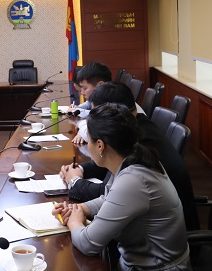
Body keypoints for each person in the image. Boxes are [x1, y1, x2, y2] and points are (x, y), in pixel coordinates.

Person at [53, 104, 194, 271]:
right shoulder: (132, 157)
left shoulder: (134, 180)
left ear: (100, 145)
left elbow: (88, 244)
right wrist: (79, 209)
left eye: (88, 139)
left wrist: (74, 221)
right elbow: (109, 198)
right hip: (139, 269)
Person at [60, 82, 199, 230]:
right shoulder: (136, 126)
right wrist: (80, 169)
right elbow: (108, 161)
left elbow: (110, 193)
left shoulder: (138, 141)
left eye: (96, 115)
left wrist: (74, 181)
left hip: (169, 231)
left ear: (110, 114)